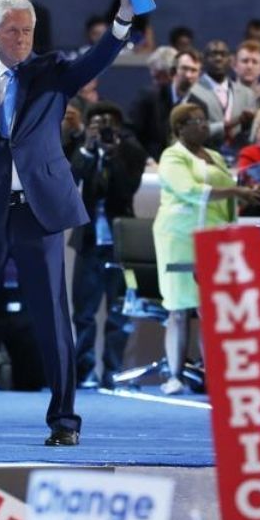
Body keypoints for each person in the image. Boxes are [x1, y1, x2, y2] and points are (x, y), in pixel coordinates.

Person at [0, 0, 138, 447]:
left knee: (53, 320)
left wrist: (121, 20)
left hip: (37, 215)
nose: (22, 38)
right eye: (14, 31)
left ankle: (64, 422)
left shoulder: (53, 71)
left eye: (29, 31)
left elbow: (95, 61)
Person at [153, 103, 260, 395]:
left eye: (204, 120)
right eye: (195, 121)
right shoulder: (172, 156)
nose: (203, 125)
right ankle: (174, 375)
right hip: (179, 238)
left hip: (214, 238)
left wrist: (239, 202)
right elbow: (189, 190)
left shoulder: (214, 156)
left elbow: (228, 192)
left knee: (210, 309)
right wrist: (236, 191)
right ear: (179, 129)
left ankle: (213, 374)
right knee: (178, 308)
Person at [68, 102, 147, 390]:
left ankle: (112, 370)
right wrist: (89, 149)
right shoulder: (82, 148)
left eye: (109, 122)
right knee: (84, 313)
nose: (103, 127)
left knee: (119, 311)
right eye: (97, 122)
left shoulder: (131, 150)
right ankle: (84, 370)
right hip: (89, 242)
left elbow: (127, 189)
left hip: (121, 246)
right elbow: (71, 179)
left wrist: (113, 156)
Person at [186, 40, 258, 164]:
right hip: (204, 160)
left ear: (230, 60)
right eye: (213, 54)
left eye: (223, 54)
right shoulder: (192, 92)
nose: (218, 58)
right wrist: (230, 123)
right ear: (203, 60)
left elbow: (254, 134)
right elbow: (192, 132)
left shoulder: (247, 94)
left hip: (240, 160)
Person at [130, 48, 201, 162]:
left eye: (158, 77)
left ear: (172, 73)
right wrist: (145, 158)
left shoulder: (198, 104)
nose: (155, 82)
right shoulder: (147, 97)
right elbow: (130, 133)